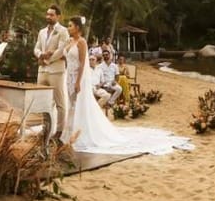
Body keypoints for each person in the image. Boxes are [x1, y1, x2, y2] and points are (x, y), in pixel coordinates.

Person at [64, 16, 192, 155]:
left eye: (70, 25)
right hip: (68, 76)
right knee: (69, 105)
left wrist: (78, 81)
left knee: (78, 105)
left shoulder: (82, 42)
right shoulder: (70, 42)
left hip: (78, 78)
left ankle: (79, 133)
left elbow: (83, 63)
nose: (68, 28)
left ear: (77, 27)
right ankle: (68, 131)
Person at [34, 4, 69, 141]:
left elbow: (61, 50)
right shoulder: (42, 31)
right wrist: (40, 55)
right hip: (42, 70)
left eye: (51, 15)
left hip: (56, 71)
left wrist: (47, 60)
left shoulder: (63, 31)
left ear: (58, 16)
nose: (48, 17)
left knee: (60, 103)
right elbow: (36, 47)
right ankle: (45, 127)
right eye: (47, 14)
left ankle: (59, 131)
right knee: (43, 101)